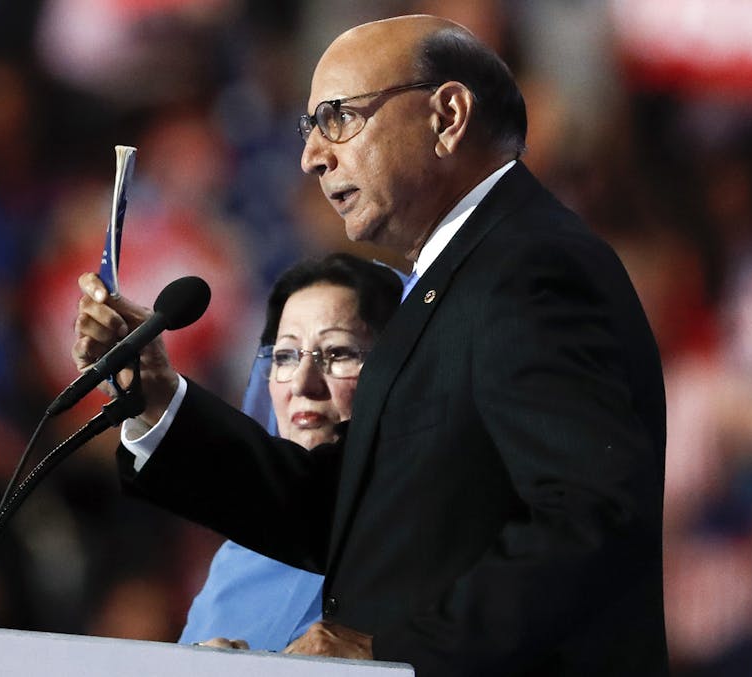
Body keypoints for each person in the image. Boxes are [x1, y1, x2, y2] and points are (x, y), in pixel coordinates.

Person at [72, 14, 668, 676]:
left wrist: (392, 651)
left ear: (446, 115)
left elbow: (588, 516)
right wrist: (161, 404)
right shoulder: (455, 279)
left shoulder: (530, 266)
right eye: (308, 129)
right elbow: (354, 513)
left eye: (336, 117)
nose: (311, 156)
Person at [178, 253, 402, 650]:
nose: (302, 382)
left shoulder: (433, 542)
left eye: (338, 353)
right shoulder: (241, 559)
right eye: (285, 355)